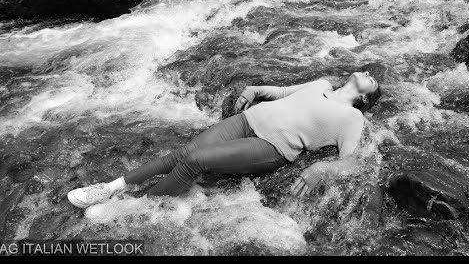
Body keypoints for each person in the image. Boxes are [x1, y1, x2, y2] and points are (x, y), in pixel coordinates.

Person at [67, 70, 381, 208]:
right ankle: (111, 188)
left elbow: (351, 161)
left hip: (271, 147)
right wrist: (254, 90)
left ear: (367, 100)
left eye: (372, 78)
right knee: (183, 153)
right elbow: (284, 93)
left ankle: (132, 207)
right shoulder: (322, 83)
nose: (367, 73)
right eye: (366, 70)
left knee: (195, 160)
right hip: (248, 119)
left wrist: (319, 170)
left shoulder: (352, 118)